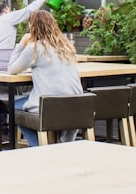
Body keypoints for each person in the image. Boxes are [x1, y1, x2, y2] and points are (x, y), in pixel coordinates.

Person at [0, 0, 53, 142]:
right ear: (7, 11)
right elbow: (29, 10)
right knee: (5, 97)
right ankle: (4, 134)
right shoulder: (7, 18)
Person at [7, 9, 83, 146]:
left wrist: (21, 44)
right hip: (77, 106)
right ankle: (57, 144)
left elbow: (12, 69)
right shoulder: (66, 46)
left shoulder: (35, 48)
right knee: (28, 102)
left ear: (33, 28)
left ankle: (40, 148)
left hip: (49, 106)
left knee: (13, 108)